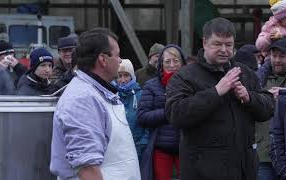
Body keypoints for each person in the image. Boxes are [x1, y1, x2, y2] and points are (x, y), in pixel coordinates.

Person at [165, 17, 275, 180]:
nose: (224, 49)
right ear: (204, 43)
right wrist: (216, 92)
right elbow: (176, 115)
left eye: (228, 44)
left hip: (244, 171)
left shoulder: (244, 72)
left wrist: (249, 97)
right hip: (202, 173)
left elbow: (268, 107)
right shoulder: (184, 76)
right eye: (217, 44)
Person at [50, 28, 141, 180]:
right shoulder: (82, 100)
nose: (120, 60)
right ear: (103, 60)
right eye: (117, 55)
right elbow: (87, 168)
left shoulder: (100, 93)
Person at [137, 44, 186, 180]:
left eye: (176, 61)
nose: (172, 65)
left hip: (186, 148)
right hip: (161, 148)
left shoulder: (190, 84)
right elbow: (142, 116)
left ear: (182, 63)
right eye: (167, 61)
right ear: (161, 64)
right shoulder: (152, 85)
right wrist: (168, 112)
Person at [255, 37, 286, 180]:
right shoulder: (259, 79)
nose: (277, 60)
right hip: (264, 152)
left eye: (282, 56)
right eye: (274, 56)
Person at [112, 58, 149, 163]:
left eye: (126, 75)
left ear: (132, 76)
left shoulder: (141, 95)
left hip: (137, 148)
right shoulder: (112, 96)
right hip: (117, 150)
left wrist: (141, 145)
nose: (123, 80)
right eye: (119, 76)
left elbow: (146, 125)